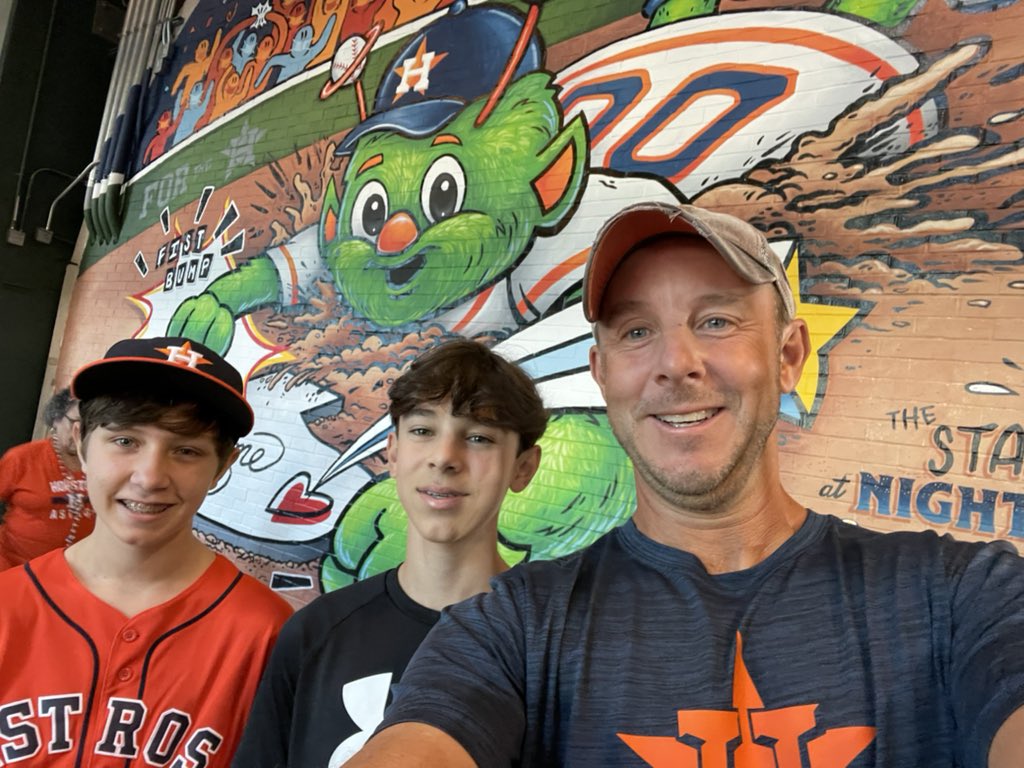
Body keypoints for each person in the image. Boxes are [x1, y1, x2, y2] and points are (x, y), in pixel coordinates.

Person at [343, 202, 1024, 767]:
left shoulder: (962, 594)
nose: (675, 362)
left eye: (716, 321)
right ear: (601, 374)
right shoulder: (511, 628)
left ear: (788, 355)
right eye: (637, 330)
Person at [231, 338, 547, 767]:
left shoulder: (552, 646)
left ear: (523, 467)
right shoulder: (315, 633)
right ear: (393, 453)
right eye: (423, 431)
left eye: (478, 437)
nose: (444, 458)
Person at [0, 336, 293, 765]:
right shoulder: (7, 606)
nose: (150, 477)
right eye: (125, 441)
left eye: (186, 450)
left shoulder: (268, 633)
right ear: (81, 442)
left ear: (222, 466)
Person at [0, 387, 95, 570]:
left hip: (75, 571)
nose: (81, 433)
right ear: (56, 419)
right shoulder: (22, 458)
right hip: (15, 567)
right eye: (76, 422)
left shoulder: (102, 462)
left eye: (91, 425)